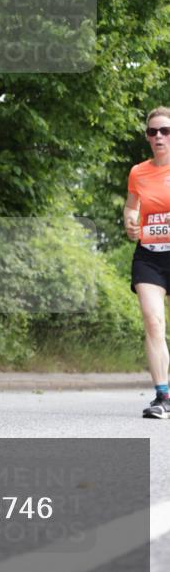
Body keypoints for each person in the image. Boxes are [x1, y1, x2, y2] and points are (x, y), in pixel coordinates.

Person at [123, 106, 170, 420]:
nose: (159, 137)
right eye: (153, 132)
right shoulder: (138, 172)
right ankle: (163, 396)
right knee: (153, 321)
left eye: (165, 131)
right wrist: (130, 222)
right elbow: (131, 208)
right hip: (149, 257)